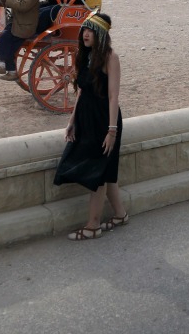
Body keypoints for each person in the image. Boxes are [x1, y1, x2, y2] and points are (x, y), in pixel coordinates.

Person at [54, 13, 130, 239]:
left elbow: (113, 97)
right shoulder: (84, 55)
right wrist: (71, 121)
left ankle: (93, 225)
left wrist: (112, 131)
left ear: (101, 35)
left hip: (104, 120)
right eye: (84, 30)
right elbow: (81, 91)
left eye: (90, 31)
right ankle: (120, 215)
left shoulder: (110, 57)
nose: (85, 34)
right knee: (105, 171)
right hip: (86, 119)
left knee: (97, 171)